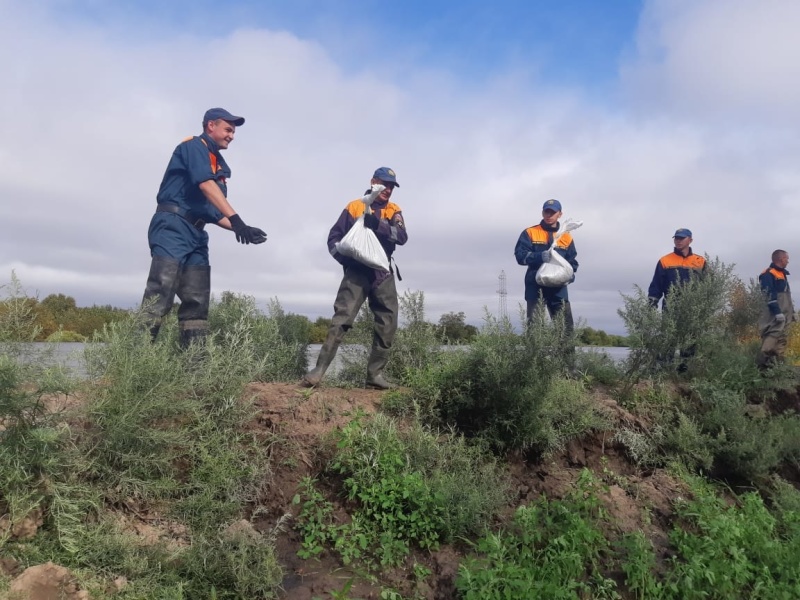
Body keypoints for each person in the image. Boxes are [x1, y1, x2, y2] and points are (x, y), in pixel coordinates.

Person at [140, 107, 267, 347]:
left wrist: (243, 229)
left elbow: (213, 212)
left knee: (196, 302)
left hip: (197, 233)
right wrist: (237, 219)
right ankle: (133, 366)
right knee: (159, 295)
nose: (232, 135)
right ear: (211, 126)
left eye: (234, 131)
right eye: (228, 129)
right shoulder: (194, 146)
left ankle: (195, 370)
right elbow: (205, 185)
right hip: (173, 227)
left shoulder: (218, 164)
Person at [303, 167, 408, 389]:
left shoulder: (393, 210)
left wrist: (377, 225)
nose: (387, 189)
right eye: (383, 184)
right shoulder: (354, 206)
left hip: (383, 273)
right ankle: (318, 371)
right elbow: (333, 238)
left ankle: (375, 376)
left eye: (391, 186)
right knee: (342, 319)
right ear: (373, 182)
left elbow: (402, 237)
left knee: (388, 324)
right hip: (357, 272)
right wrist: (346, 262)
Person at [514, 199, 579, 334]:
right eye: (546, 212)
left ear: (560, 214)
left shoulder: (566, 236)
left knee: (565, 327)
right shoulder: (530, 232)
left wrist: (570, 276)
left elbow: (572, 261)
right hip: (535, 286)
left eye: (552, 212)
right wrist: (539, 256)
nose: (548, 215)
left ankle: (566, 355)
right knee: (534, 327)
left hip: (558, 288)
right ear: (542, 213)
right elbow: (520, 256)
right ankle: (533, 355)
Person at [647, 228, 706, 369]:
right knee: (668, 339)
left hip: (693, 308)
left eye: (682, 238)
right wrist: (652, 303)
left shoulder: (700, 261)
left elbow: (708, 285)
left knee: (690, 341)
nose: (678, 241)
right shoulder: (665, 260)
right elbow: (656, 284)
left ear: (690, 240)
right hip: (671, 305)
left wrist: (704, 307)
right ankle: (665, 373)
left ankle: (685, 374)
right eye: (676, 238)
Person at [757, 249, 794, 369]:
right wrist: (777, 312)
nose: (788, 261)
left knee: (782, 338)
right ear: (781, 259)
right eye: (786, 258)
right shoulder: (768, 274)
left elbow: (786, 295)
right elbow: (769, 294)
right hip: (774, 313)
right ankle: (762, 365)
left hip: (785, 313)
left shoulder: (782, 274)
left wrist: (792, 313)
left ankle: (778, 367)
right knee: (773, 334)